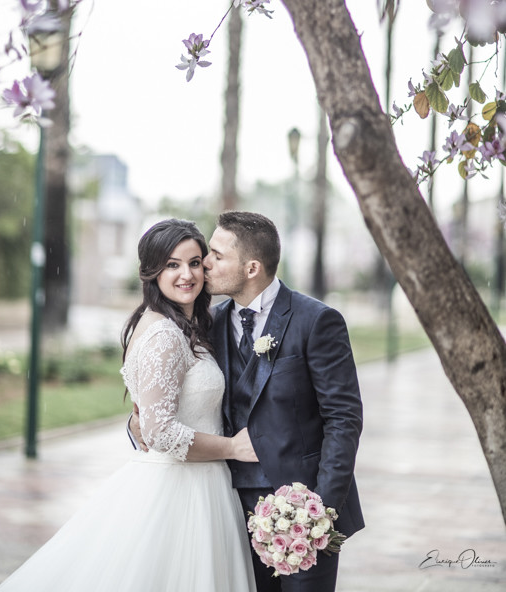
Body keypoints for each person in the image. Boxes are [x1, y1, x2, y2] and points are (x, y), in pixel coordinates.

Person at [0, 219, 257, 592]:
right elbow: (160, 432)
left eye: (195, 262)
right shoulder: (164, 334)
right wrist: (232, 447)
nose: (187, 275)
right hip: (180, 490)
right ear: (151, 272)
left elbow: (149, 418)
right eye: (172, 265)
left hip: (202, 484)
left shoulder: (184, 325)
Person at [133, 211, 364, 592]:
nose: (204, 264)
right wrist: (139, 420)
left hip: (300, 509)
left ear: (251, 267)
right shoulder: (210, 321)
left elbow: (344, 419)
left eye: (216, 256)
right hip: (225, 511)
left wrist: (320, 509)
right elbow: (173, 393)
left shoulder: (317, 321)